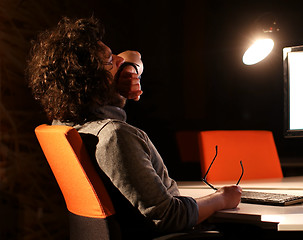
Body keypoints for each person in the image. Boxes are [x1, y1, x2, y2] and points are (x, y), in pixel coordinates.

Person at [26, 17, 242, 238]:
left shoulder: (68, 126)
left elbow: (131, 56)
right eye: (111, 60)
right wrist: (221, 199)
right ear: (91, 80)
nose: (121, 60)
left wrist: (128, 69)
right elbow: (168, 216)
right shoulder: (114, 136)